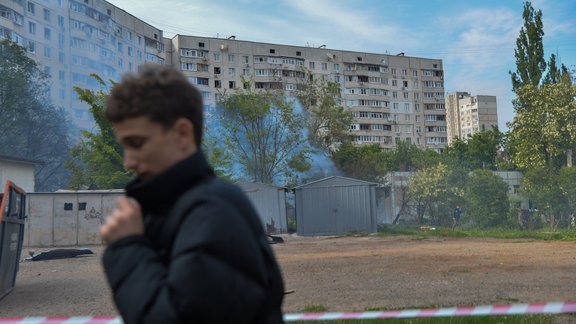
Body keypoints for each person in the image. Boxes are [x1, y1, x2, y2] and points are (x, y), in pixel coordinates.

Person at [99, 64, 285, 324]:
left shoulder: (213, 211)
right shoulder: (178, 208)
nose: (128, 162)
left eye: (137, 143)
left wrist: (127, 247)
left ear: (182, 134)